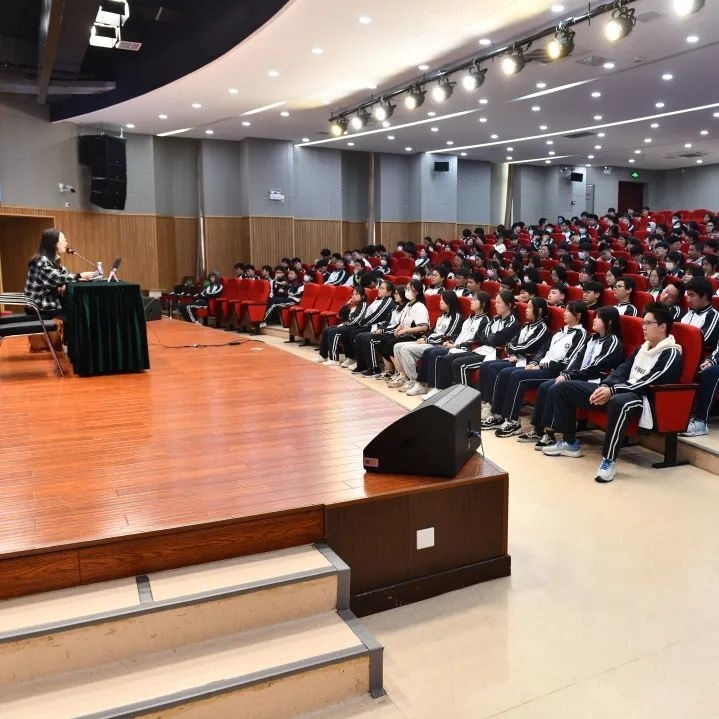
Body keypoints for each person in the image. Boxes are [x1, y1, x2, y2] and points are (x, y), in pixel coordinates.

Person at [543, 303, 682, 483]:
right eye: (643, 323)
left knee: (619, 402)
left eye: (648, 323)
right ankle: (570, 443)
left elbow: (648, 382)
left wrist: (613, 390)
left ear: (662, 327)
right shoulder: (643, 347)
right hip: (621, 389)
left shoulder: (671, 352)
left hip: (644, 398)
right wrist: (606, 386)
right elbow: (623, 369)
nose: (643, 327)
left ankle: (608, 460)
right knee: (563, 388)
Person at [520, 306, 624, 449]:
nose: (594, 320)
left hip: (595, 381)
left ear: (609, 322)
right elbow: (577, 359)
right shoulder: (592, 338)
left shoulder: (613, 342)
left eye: (598, 318)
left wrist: (570, 376)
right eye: (594, 317)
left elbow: (595, 367)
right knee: (545, 387)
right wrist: (566, 373)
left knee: (556, 388)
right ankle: (538, 430)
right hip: (580, 376)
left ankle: (550, 433)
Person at [489, 301, 589, 438]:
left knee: (517, 377)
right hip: (542, 366)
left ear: (578, 315)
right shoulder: (561, 331)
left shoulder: (581, 334)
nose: (564, 313)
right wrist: (535, 361)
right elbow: (544, 349)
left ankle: (513, 421)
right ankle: (498, 414)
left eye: (568, 311)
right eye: (565, 310)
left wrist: (541, 366)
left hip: (555, 371)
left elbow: (568, 361)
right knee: (506, 372)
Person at [480, 297, 552, 429]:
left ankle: (505, 415)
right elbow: (510, 343)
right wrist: (513, 353)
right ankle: (494, 410)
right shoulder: (526, 326)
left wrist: (514, 350)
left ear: (539, 311)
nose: (526, 310)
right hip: (517, 359)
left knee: (503, 371)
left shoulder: (542, 328)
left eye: (530, 308)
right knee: (488, 366)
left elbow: (527, 346)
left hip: (528, 362)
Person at [416, 291, 492, 400]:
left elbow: (477, 341)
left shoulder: (485, 321)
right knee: (429, 351)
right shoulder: (470, 318)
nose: (472, 301)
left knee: (437, 354)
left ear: (483, 303)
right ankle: (424, 384)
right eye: (472, 298)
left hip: (467, 350)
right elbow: (460, 335)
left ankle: (439, 388)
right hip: (457, 346)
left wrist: (456, 346)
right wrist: (452, 342)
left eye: (475, 299)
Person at [447, 290, 521, 390]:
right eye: (496, 302)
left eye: (499, 303)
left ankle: (467, 396)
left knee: (459, 364)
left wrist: (490, 338)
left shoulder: (513, 323)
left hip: (495, 354)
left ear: (509, 305)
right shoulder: (495, 319)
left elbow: (496, 339)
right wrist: (491, 338)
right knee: (452, 359)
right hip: (483, 349)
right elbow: (481, 336)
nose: (496, 305)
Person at [392, 291, 462, 394]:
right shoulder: (442, 316)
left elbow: (447, 337)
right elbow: (432, 331)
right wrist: (424, 337)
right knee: (397, 346)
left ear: (449, 301)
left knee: (405, 350)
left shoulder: (456, 317)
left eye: (442, 299)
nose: (440, 302)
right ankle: (405, 377)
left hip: (439, 345)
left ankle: (415, 381)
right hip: (430, 342)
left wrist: (427, 340)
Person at [24, 228, 96, 317]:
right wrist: (79, 275)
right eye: (64, 240)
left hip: (49, 303)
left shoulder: (53, 260)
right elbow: (57, 279)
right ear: (54, 243)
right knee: (77, 312)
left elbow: (64, 275)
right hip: (40, 306)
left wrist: (72, 281)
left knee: (79, 310)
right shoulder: (41, 260)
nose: (66, 243)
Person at [378, 279, 430, 379]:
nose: (407, 291)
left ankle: (401, 374)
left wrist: (406, 330)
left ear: (417, 292)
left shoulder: (419, 306)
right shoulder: (408, 305)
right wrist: (398, 328)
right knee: (383, 341)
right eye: (407, 289)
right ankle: (391, 371)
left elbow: (424, 327)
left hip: (415, 337)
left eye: (409, 289)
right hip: (405, 334)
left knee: (391, 344)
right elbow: (402, 322)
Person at [314, 286, 368, 365]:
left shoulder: (364, 305)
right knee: (327, 330)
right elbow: (340, 314)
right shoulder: (353, 306)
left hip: (356, 327)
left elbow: (357, 319)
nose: (353, 296)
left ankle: (334, 359)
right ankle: (323, 356)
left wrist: (344, 324)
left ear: (362, 296)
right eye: (353, 294)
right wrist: (347, 304)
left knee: (334, 332)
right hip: (348, 326)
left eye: (356, 294)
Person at [681, 277, 719, 356]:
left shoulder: (713, 316)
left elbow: (703, 342)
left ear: (704, 295)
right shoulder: (689, 313)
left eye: (692, 295)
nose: (688, 300)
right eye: (688, 295)